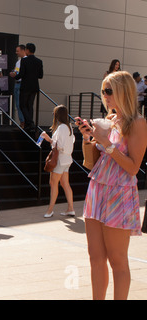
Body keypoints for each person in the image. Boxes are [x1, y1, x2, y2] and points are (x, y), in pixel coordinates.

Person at [75, 71, 147, 300]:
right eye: (103, 91)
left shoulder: (138, 122)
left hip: (120, 193)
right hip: (98, 189)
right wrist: (88, 138)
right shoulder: (110, 120)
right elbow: (92, 163)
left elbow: (134, 167)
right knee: (95, 258)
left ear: (123, 92)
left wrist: (107, 144)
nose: (104, 96)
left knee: (117, 259)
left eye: (109, 91)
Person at [40, 105, 75, 218]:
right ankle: (70, 209)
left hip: (60, 160)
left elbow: (58, 146)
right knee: (65, 184)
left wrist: (47, 138)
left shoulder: (61, 128)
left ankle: (50, 210)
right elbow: (71, 141)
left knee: (53, 184)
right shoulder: (69, 126)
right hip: (67, 159)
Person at [12, 43, 43, 133]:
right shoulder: (39, 61)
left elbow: (21, 74)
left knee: (22, 105)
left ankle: (30, 123)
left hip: (25, 86)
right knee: (30, 105)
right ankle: (29, 125)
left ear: (27, 50)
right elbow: (40, 75)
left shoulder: (24, 61)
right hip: (34, 86)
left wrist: (14, 76)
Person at [9, 45, 26, 127]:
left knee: (23, 104)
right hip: (17, 83)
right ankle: (22, 121)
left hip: (23, 84)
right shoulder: (18, 62)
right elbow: (16, 72)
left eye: (17, 51)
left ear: (23, 50)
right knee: (18, 104)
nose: (16, 53)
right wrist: (13, 74)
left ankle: (24, 122)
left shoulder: (26, 61)